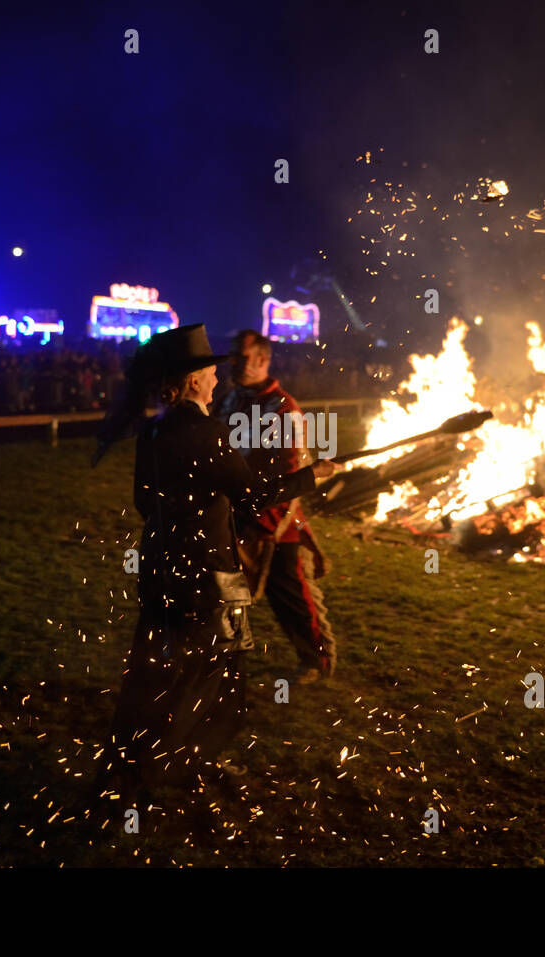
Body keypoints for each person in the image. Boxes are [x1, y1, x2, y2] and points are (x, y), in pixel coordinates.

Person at [90, 325, 337, 809]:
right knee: (216, 673)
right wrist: (312, 474)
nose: (218, 377)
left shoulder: (156, 428)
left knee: (155, 667)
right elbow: (255, 491)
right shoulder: (205, 430)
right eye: (209, 371)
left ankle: (132, 760)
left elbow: (146, 499)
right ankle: (184, 762)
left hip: (161, 568)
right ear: (190, 382)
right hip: (209, 577)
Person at [214, 330, 337, 684]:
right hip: (232, 513)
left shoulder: (283, 409)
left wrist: (262, 527)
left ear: (263, 360)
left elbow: (291, 475)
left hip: (275, 520)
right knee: (222, 592)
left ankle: (316, 658)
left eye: (243, 356)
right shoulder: (230, 398)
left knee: (289, 593)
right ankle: (221, 660)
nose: (235, 362)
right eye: (234, 355)